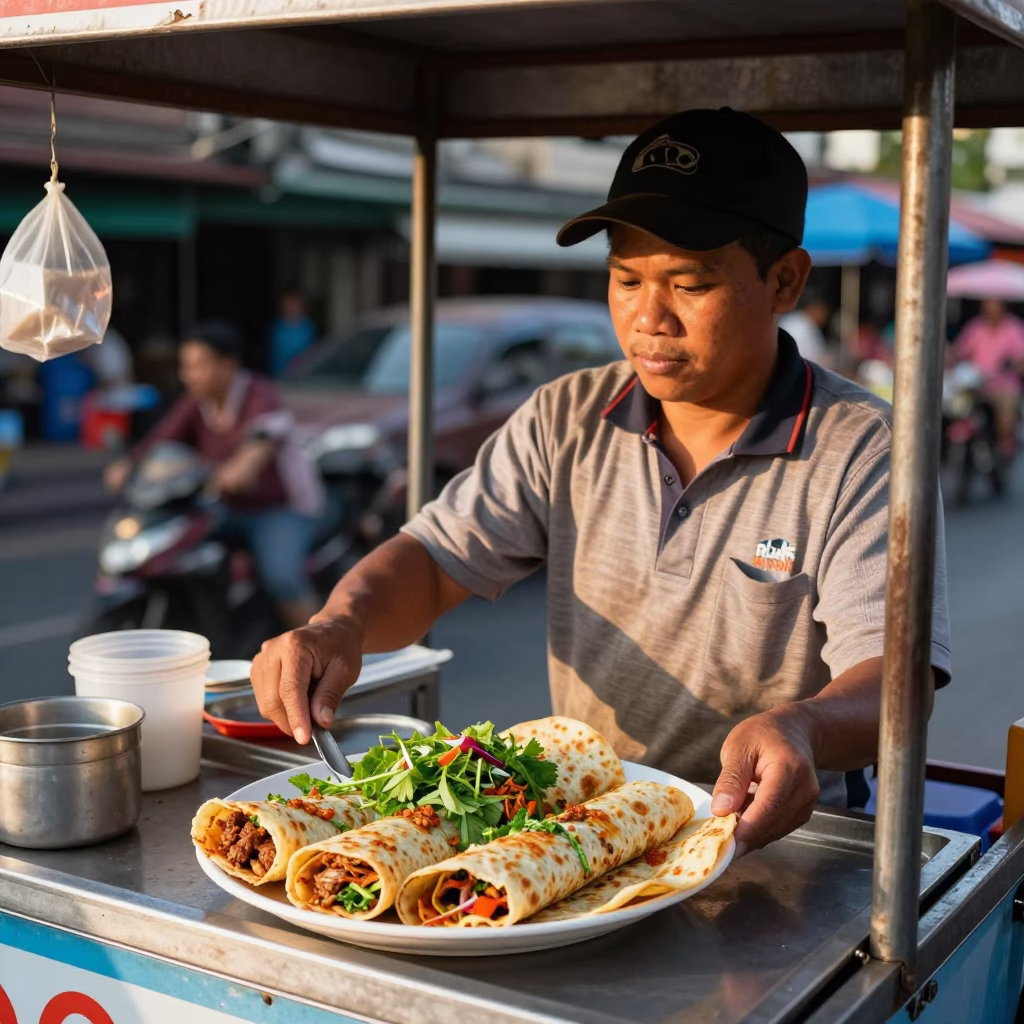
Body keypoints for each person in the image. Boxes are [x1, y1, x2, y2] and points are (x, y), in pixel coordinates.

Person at [251, 108, 951, 857]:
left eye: (689, 282)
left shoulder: (863, 446)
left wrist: (802, 726)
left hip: (780, 844)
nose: (649, 317)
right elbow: (433, 560)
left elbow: (894, 678)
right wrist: (341, 624)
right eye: (626, 278)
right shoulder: (568, 415)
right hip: (587, 830)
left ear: (784, 279)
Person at [105, 321, 324, 630]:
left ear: (228, 364)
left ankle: (320, 648)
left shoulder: (260, 395)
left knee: (281, 578)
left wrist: (241, 467)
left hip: (279, 509)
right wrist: (130, 465)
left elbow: (262, 440)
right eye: (186, 366)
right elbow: (162, 439)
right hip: (226, 505)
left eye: (199, 365)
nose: (189, 375)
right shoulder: (196, 402)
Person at [953, 297, 1024, 457]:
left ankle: (1005, 443)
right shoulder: (975, 327)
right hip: (976, 384)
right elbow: (960, 351)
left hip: (1002, 385)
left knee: (1007, 406)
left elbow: (1021, 359)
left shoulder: (1014, 328)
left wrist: (1013, 364)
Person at [269, 291, 317, 378]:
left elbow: (314, 352)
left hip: (304, 374)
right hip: (282, 374)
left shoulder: (308, 327)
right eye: (288, 305)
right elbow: (274, 356)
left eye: (294, 305)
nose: (292, 308)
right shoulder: (277, 328)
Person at [779, 292, 832, 366]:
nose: (825, 314)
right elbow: (816, 360)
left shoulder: (790, 319)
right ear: (811, 308)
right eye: (822, 310)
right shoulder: (808, 326)